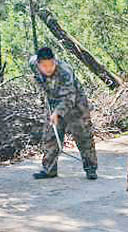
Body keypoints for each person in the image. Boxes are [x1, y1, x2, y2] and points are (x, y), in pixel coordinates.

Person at [29, 47, 98, 180]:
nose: (48, 68)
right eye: (44, 66)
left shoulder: (65, 71)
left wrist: (58, 113)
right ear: (38, 64)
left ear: (55, 61)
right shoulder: (33, 64)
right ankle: (49, 169)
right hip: (53, 101)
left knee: (83, 136)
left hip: (76, 103)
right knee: (50, 136)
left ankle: (91, 168)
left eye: (51, 64)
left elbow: (69, 98)